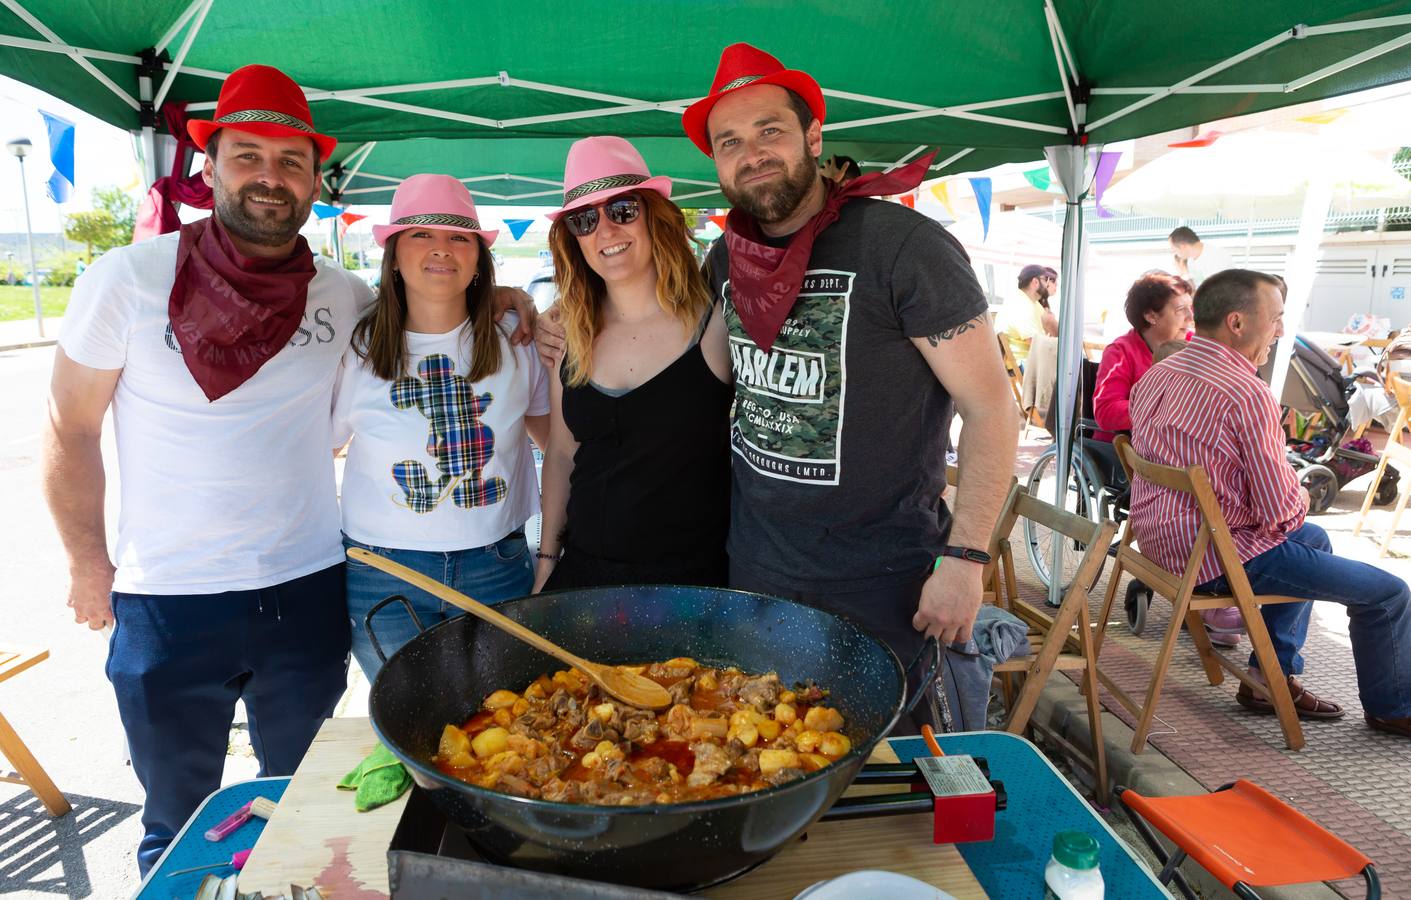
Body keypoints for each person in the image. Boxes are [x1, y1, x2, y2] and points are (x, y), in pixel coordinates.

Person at [41, 66, 535, 874]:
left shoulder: (341, 296)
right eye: (248, 155)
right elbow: (69, 428)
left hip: (304, 587)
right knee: (177, 814)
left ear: (313, 179)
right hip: (167, 595)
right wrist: (87, 563)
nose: (269, 176)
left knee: (301, 795)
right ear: (210, 167)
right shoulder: (126, 281)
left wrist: (509, 293)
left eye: (290, 160)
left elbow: (435, 299)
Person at [687, 43, 1016, 728]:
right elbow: (693, 366)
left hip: (882, 584)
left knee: (877, 775)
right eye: (729, 143)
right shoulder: (726, 255)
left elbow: (990, 409)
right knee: (765, 761)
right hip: (756, 572)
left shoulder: (902, 247)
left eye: (769, 131)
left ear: (813, 136)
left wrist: (964, 559)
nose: (751, 154)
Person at [1128, 269, 1411, 737]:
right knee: (1388, 596)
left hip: (1161, 539)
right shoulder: (1245, 391)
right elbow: (1279, 511)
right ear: (1237, 323)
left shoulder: (1162, 371)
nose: (1281, 330)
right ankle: (1392, 705)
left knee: (1315, 538)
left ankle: (1269, 678)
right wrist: (1298, 494)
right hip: (1212, 554)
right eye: (1276, 318)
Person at [333, 175, 549, 679]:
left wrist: (555, 553)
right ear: (393, 253)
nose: (441, 249)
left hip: (495, 566)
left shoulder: (516, 341)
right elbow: (322, 446)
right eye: (420, 235)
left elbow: (557, 449)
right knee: (408, 724)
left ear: (478, 257)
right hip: (382, 571)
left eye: (459, 236)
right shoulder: (356, 346)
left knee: (500, 721)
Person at [533, 136, 732, 591]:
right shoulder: (568, 334)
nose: (605, 231)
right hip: (584, 583)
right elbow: (563, 454)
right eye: (585, 220)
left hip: (694, 589)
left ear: (653, 217)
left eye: (622, 209)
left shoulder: (715, 324)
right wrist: (546, 562)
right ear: (573, 240)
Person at [996, 263, 1059, 364]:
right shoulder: (1021, 304)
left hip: (1029, 360)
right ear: (1035, 282)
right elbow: (1036, 343)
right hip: (1023, 364)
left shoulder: (1029, 301)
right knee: (1067, 368)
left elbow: (1049, 322)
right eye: (1045, 280)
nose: (1047, 284)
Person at [1168, 226, 1234, 287]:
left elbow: (1218, 287)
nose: (1175, 253)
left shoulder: (1217, 256)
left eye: (1174, 250)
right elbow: (1195, 285)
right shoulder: (1191, 260)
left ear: (1183, 247)